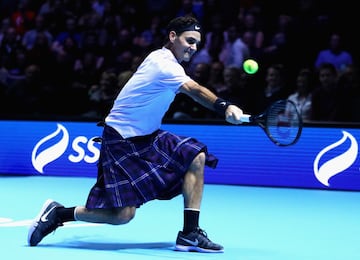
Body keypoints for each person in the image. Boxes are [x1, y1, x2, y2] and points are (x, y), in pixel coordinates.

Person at [27, 15, 245, 253]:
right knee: (122, 215)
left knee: (196, 156)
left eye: (196, 44)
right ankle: (59, 213)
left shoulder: (170, 64)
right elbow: (194, 89)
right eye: (189, 40)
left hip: (148, 137)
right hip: (121, 139)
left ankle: (190, 233)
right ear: (172, 37)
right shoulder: (163, 63)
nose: (193, 48)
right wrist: (225, 107)